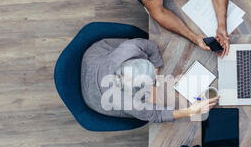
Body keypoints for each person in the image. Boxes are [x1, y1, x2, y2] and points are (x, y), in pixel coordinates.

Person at [81, 38, 219, 123]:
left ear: (134, 59)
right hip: (94, 97)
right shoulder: (129, 103)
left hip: (94, 54)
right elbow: (156, 115)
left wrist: (157, 69)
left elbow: (150, 46)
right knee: (162, 99)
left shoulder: (129, 48)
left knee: (163, 92)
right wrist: (190, 111)